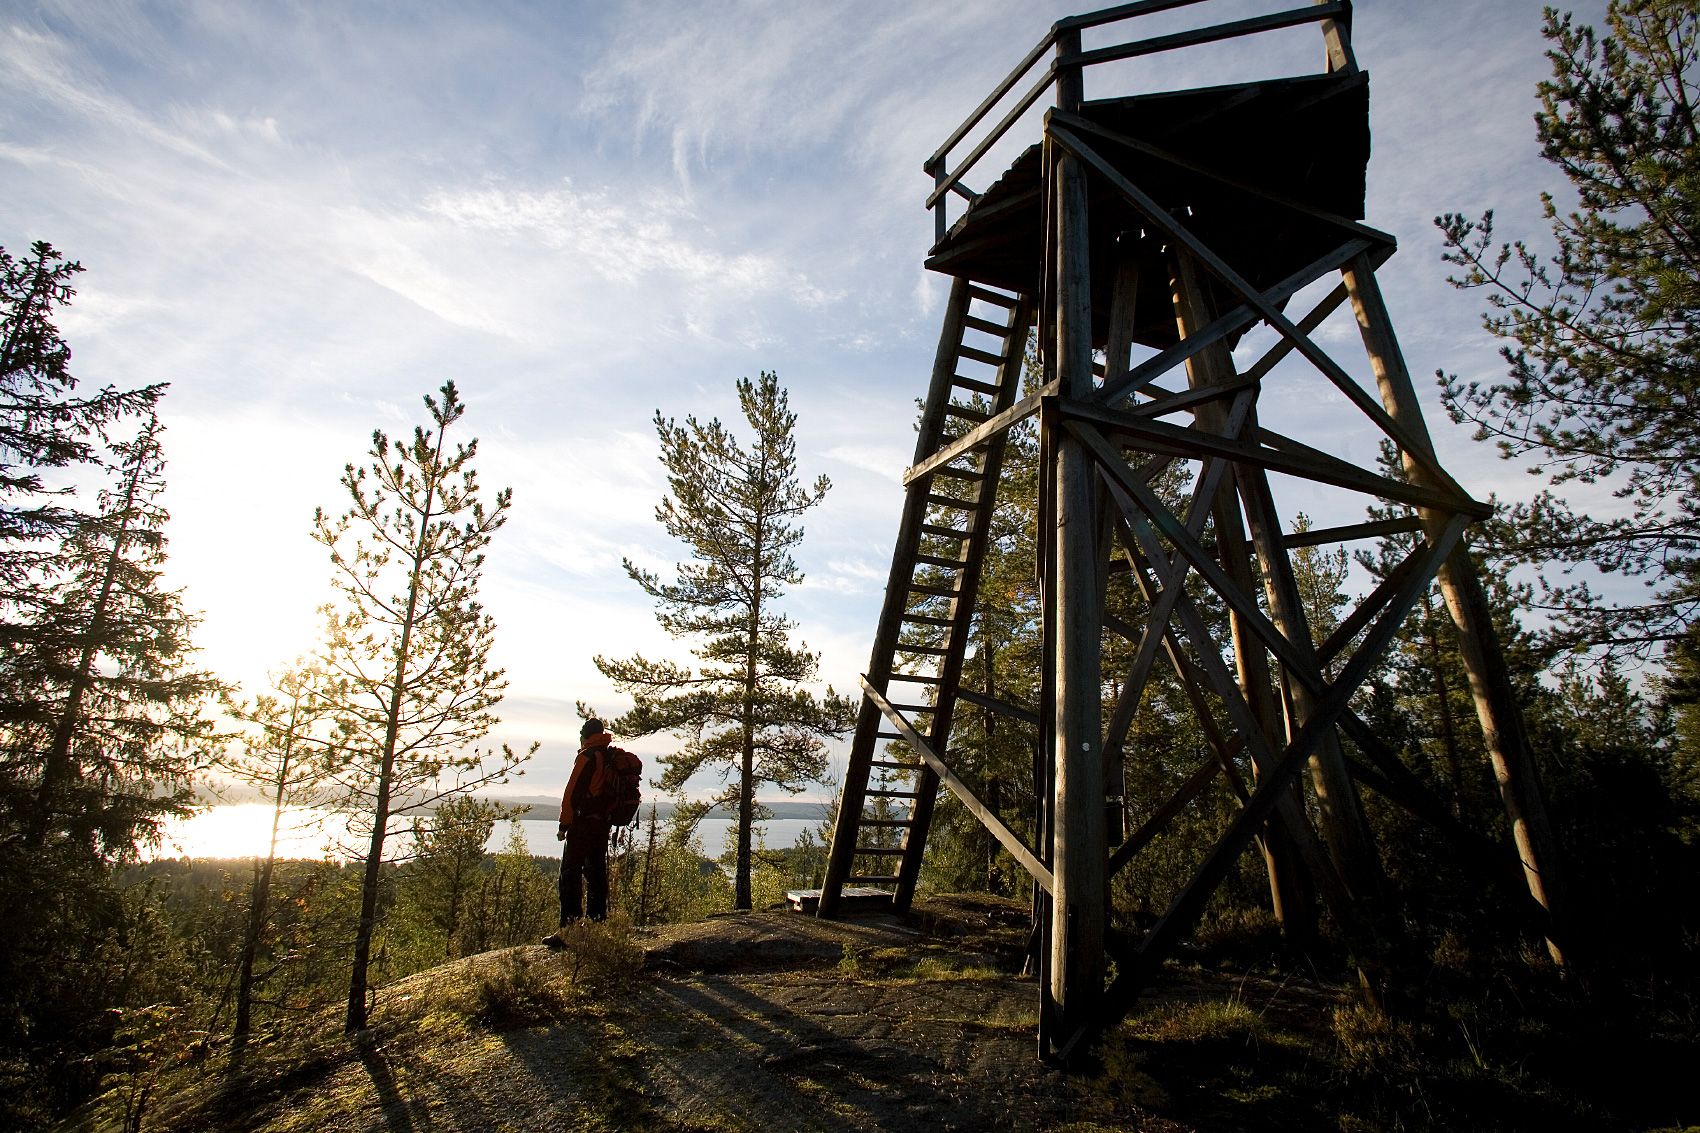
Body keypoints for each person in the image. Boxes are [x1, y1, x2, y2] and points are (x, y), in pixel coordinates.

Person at [543, 717, 616, 947]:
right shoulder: (608, 756)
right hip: (601, 825)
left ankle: (569, 930)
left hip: (582, 824)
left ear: (585, 735)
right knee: (596, 874)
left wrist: (564, 826)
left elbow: (571, 794)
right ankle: (597, 926)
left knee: (570, 875)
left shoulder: (587, 757)